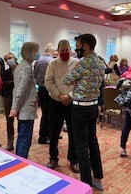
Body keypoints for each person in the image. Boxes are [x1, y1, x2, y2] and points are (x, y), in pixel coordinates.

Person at [63, 34, 105, 190]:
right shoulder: (100, 62)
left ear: (85, 46)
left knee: (81, 146)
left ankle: (85, 184)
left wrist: (75, 81)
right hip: (93, 107)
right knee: (93, 143)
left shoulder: (83, 63)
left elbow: (66, 79)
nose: (77, 49)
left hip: (80, 108)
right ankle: (98, 179)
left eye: (78, 46)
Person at [45, 40, 80, 173]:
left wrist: (70, 96)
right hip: (56, 101)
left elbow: (80, 82)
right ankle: (53, 158)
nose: (65, 52)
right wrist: (60, 96)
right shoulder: (52, 64)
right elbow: (48, 82)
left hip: (72, 102)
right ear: (58, 51)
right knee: (54, 132)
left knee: (73, 132)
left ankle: (74, 159)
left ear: (70, 50)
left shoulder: (77, 63)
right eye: (62, 50)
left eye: (67, 50)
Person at [9, 42, 40, 159]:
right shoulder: (26, 68)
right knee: (25, 138)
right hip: (26, 108)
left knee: (22, 136)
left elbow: (16, 90)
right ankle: (21, 162)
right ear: (31, 52)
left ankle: (19, 159)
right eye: (36, 51)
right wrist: (15, 107)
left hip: (22, 108)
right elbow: (20, 90)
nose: (38, 54)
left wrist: (15, 106)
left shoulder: (20, 66)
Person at [34, 43, 55, 144]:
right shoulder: (52, 61)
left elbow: (35, 75)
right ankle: (43, 136)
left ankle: (49, 135)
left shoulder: (38, 61)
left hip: (40, 89)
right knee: (48, 114)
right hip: (49, 90)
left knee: (45, 113)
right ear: (52, 51)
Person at [2, 52, 18, 151]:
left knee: (21, 120)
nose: (9, 60)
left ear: (15, 58)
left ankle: (20, 142)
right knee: (9, 121)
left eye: (10, 58)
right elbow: (4, 84)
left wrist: (10, 83)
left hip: (20, 98)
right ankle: (10, 142)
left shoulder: (22, 69)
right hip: (8, 97)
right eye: (6, 59)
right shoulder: (6, 72)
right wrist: (14, 82)